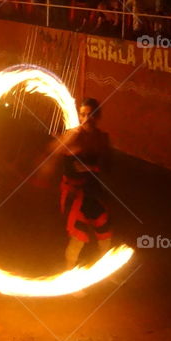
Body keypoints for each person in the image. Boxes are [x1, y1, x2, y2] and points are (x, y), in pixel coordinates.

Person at [44, 98, 113, 279]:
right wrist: (64, 140)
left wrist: (92, 168)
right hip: (74, 193)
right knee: (78, 237)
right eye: (83, 114)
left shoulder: (101, 138)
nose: (86, 118)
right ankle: (70, 278)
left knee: (105, 234)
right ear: (79, 116)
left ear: (97, 116)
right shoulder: (73, 135)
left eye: (91, 114)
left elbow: (107, 165)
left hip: (92, 192)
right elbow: (53, 149)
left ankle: (104, 272)